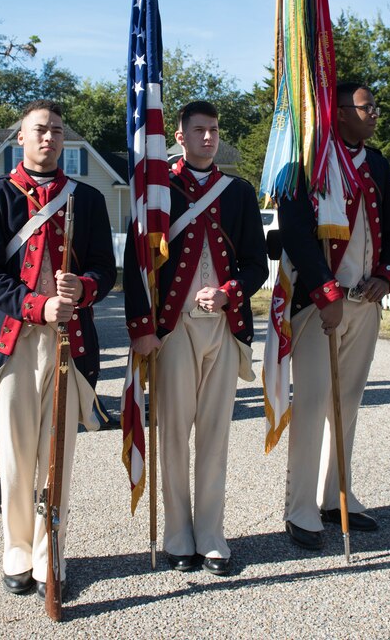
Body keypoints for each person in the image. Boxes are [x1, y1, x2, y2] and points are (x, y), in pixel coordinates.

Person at [0, 99, 115, 598]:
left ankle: (51, 546)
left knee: (59, 453)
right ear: (21, 139)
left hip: (68, 342)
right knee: (15, 453)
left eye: (55, 131)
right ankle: (16, 547)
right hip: (14, 342)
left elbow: (104, 268)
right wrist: (37, 306)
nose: (48, 138)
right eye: (39, 130)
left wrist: (83, 290)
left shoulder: (89, 199)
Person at [124, 100, 267, 577]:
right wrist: (143, 328)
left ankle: (211, 532)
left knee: (215, 435)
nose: (209, 138)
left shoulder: (240, 192)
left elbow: (256, 264)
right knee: (174, 435)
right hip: (174, 327)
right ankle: (177, 533)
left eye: (214, 130)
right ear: (180, 136)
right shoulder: (157, 188)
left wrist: (231, 293)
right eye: (200, 130)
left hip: (223, 328)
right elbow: (136, 263)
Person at [277, 82, 390, 551]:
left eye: (375, 105)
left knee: (347, 404)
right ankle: (300, 508)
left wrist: (386, 277)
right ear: (340, 112)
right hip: (318, 303)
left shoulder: (378, 164)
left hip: (365, 301)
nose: (374, 113)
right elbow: (293, 232)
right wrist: (325, 292)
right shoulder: (305, 164)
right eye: (365, 106)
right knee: (311, 404)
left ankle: (336, 496)